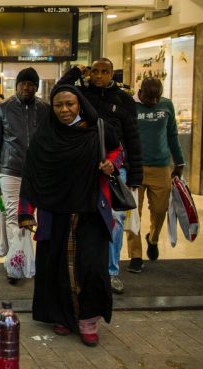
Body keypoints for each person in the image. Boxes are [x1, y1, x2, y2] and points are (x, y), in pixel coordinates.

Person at [18, 84, 124, 347]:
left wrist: (112, 164)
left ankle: (88, 320)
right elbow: (31, 176)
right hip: (55, 214)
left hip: (90, 211)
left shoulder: (96, 129)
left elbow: (118, 150)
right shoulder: (44, 137)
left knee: (91, 267)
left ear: (79, 105)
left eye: (70, 104)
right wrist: (25, 212)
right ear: (51, 108)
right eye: (58, 105)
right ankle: (62, 316)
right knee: (56, 268)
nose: (64, 110)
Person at [58, 59, 143, 294]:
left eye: (104, 72)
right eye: (94, 71)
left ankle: (112, 271)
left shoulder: (124, 100)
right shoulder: (82, 94)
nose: (99, 76)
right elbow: (60, 91)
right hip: (85, 167)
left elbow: (133, 138)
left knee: (115, 220)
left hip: (115, 167)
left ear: (112, 73)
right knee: (85, 220)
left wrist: (135, 175)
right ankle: (87, 270)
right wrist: (75, 71)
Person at [0, 67, 49, 284]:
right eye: (23, 83)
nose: (27, 87)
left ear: (36, 87)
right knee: (14, 218)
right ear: (17, 85)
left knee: (35, 218)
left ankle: (27, 260)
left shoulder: (45, 109)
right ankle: (16, 263)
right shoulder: (3, 108)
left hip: (39, 171)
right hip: (10, 170)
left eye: (31, 84)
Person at [127, 78, 185, 266]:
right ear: (140, 92)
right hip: (135, 166)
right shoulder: (130, 105)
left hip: (161, 166)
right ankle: (135, 255)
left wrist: (179, 162)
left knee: (160, 210)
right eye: (149, 98)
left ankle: (152, 238)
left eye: (156, 98)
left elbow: (172, 134)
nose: (153, 102)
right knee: (133, 212)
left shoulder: (167, 105)